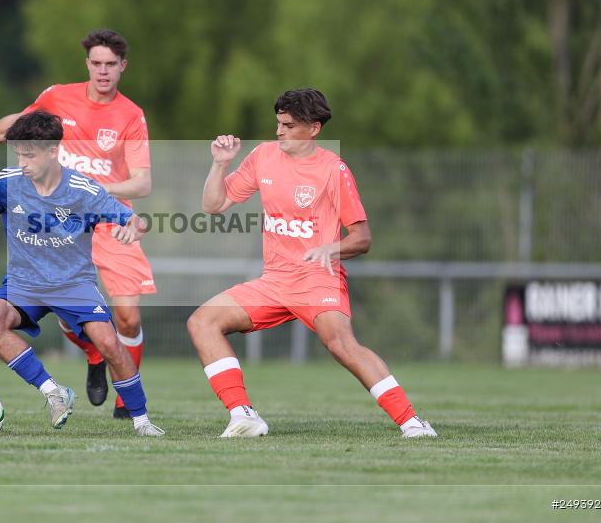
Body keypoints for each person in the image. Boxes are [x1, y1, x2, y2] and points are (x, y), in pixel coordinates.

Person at [187, 88, 437, 438]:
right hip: (274, 281)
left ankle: (413, 423)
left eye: (288, 125)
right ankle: (243, 415)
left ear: (314, 129)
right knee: (202, 322)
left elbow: (362, 238)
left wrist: (330, 249)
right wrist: (220, 163)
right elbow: (213, 205)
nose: (279, 132)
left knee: (340, 344)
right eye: (278, 124)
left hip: (318, 279)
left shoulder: (333, 170)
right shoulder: (263, 157)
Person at [0, 29, 154, 419]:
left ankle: (127, 402)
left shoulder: (131, 115)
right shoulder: (58, 96)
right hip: (55, 224)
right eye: (96, 63)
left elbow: (142, 182)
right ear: (87, 64)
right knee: (65, 307)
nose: (103, 71)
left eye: (111, 64)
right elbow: (18, 124)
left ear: (123, 66)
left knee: (128, 315)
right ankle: (93, 353)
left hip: (104, 218)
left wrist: (84, 191)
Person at [0, 110, 164, 436]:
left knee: (109, 344)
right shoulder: (7, 183)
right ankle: (53, 393)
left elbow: (131, 218)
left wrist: (134, 227)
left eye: (30, 155)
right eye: (19, 154)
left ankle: (142, 421)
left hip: (73, 284)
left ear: (53, 151)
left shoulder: (84, 190)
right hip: (23, 283)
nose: (23, 161)